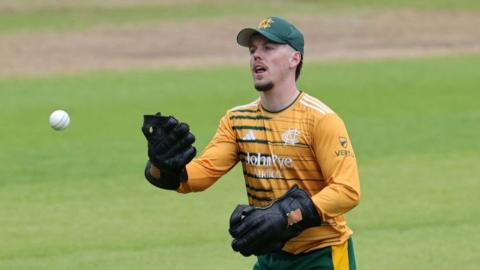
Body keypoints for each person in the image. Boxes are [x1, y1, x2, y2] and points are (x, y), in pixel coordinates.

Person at [142, 16, 360, 270]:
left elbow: (347, 190)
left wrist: (286, 215)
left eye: (268, 48)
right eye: (253, 50)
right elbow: (196, 178)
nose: (257, 55)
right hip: (269, 258)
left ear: (294, 59)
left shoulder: (320, 119)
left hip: (321, 257)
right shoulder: (237, 120)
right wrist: (161, 166)